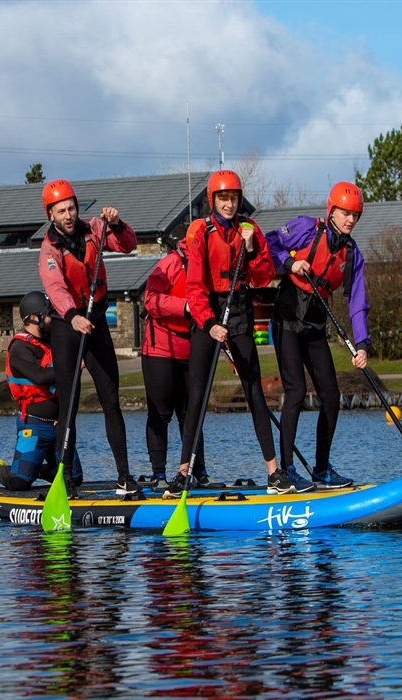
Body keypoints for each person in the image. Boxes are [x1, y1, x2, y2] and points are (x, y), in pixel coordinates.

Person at [166, 170, 299, 497]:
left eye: (233, 198)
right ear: (213, 200)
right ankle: (183, 472)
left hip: (239, 310)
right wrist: (210, 323)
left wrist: (251, 248)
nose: (229, 204)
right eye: (223, 198)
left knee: (254, 390)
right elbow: (194, 287)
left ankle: (273, 474)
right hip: (207, 311)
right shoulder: (200, 231)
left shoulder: (249, 229)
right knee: (196, 396)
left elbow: (263, 276)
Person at [265, 182, 370, 490]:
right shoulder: (306, 229)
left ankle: (321, 469)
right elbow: (268, 245)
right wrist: (289, 262)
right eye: (345, 213)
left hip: (314, 324)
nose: (350, 220)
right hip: (286, 317)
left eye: (355, 215)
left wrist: (361, 344)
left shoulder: (353, 255)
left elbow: (357, 302)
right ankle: (283, 471)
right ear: (331, 211)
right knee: (296, 391)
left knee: (331, 395)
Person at [38, 178, 139, 498]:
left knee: (111, 399)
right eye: (61, 211)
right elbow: (54, 287)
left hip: (95, 323)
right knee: (69, 402)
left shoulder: (96, 228)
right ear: (51, 215)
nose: (68, 215)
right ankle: (64, 479)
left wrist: (118, 223)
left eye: (71, 208)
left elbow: (128, 245)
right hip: (67, 326)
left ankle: (124, 477)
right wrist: (71, 315)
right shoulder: (49, 248)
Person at [0, 292, 83, 493]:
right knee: (20, 483)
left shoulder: (54, 342)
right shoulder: (20, 348)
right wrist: (72, 367)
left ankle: (32, 467)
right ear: (33, 318)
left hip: (60, 425)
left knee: (74, 478)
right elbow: (39, 376)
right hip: (35, 424)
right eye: (50, 315)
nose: (53, 319)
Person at [140, 239, 211, 488]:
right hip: (160, 347)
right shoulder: (171, 263)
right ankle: (158, 474)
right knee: (160, 413)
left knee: (191, 412)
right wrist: (185, 306)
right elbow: (150, 299)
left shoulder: (210, 267)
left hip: (193, 348)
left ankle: (197, 470)